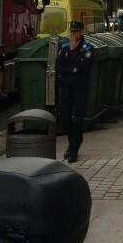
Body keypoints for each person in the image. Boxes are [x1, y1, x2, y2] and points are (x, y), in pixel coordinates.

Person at [55, 20, 94, 162]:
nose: (73, 34)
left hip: (80, 88)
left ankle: (74, 149)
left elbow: (83, 66)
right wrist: (73, 70)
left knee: (77, 120)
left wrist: (72, 53)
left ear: (81, 32)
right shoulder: (64, 46)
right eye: (71, 31)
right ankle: (72, 144)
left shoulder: (88, 48)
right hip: (66, 87)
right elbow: (58, 66)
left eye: (76, 31)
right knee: (65, 119)